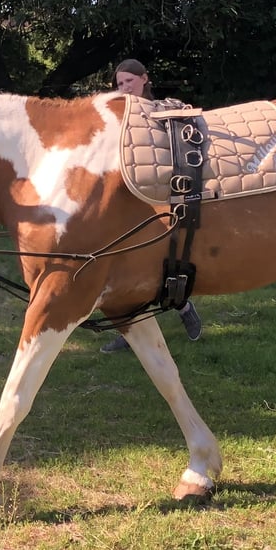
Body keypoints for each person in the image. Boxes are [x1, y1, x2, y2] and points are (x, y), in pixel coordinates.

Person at [100, 59, 203, 354]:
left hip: (160, 197)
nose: (123, 88)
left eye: (128, 82)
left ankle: (184, 309)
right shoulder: (118, 114)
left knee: (163, 264)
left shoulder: (161, 112)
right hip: (126, 200)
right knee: (128, 269)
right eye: (119, 84)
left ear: (144, 79)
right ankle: (132, 332)